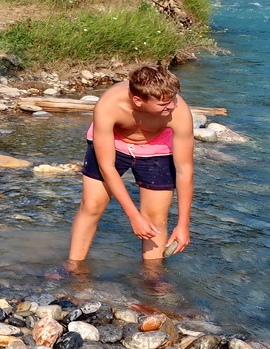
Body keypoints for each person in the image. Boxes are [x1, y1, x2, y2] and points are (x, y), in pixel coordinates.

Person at [67, 65, 194, 265]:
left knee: (155, 217)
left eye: (173, 99)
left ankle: (152, 279)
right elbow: (106, 166)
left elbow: (184, 169)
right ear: (138, 101)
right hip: (113, 144)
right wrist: (133, 215)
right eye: (164, 103)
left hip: (156, 147)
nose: (172, 106)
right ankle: (73, 268)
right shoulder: (109, 105)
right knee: (92, 205)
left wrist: (183, 224)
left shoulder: (178, 112)